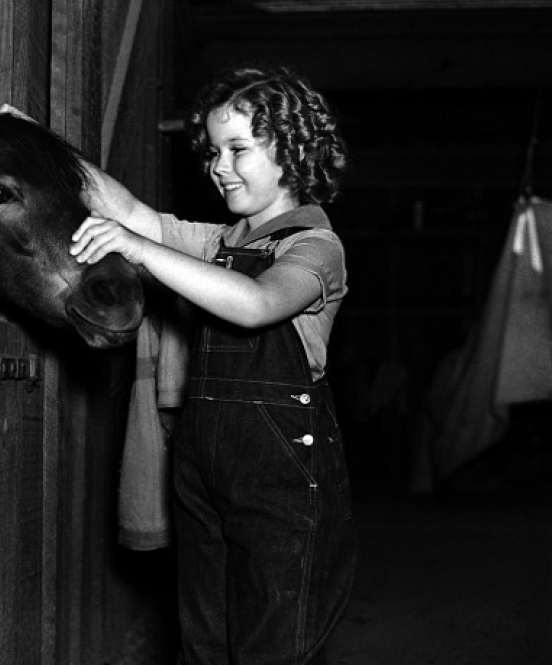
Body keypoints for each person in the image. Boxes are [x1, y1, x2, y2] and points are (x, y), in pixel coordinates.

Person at [68, 63, 358, 665]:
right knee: (205, 641)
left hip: (279, 477)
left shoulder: (314, 247)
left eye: (238, 149)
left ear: (293, 152)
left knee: (272, 644)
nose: (217, 166)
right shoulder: (224, 243)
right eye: (212, 151)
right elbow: (141, 218)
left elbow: (255, 305)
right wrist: (38, 145)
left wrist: (139, 248)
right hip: (202, 467)